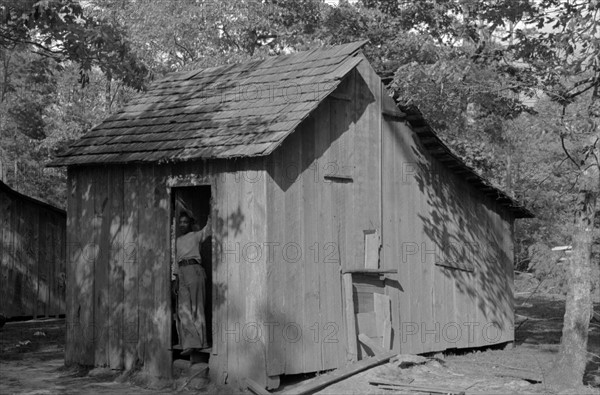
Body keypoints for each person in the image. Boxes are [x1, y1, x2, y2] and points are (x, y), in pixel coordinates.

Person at [174, 210, 211, 356]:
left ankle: (201, 342)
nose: (182, 225)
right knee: (183, 310)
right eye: (180, 222)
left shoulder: (196, 235)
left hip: (195, 270)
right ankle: (190, 343)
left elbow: (209, 228)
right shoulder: (177, 240)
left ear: (190, 224)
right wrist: (175, 280)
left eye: (185, 222)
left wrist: (211, 209)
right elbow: (176, 261)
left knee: (197, 307)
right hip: (182, 273)